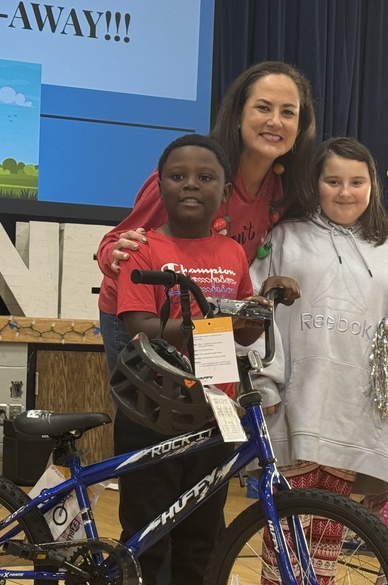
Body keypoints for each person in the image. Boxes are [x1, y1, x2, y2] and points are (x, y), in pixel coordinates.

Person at [108, 134, 294, 585]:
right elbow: (137, 328)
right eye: (179, 176)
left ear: (223, 192)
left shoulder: (232, 254)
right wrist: (206, 322)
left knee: (203, 532)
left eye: (206, 177)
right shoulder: (142, 248)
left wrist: (264, 304)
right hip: (150, 406)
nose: (192, 185)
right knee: (146, 527)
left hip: (214, 409)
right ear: (159, 186)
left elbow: (244, 329)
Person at [250, 136, 388, 585]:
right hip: (298, 400)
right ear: (316, 184)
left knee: (334, 521)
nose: (345, 192)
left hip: (357, 405)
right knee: (288, 515)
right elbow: (253, 310)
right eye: (334, 181)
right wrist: (262, 380)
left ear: (372, 186)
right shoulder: (284, 236)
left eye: (357, 182)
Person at [96, 61, 317, 374]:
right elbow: (113, 244)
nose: (275, 122)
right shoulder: (196, 174)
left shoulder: (284, 188)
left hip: (207, 318)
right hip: (145, 315)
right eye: (263, 108)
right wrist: (116, 255)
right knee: (151, 415)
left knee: (209, 412)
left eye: (288, 112)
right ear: (239, 115)